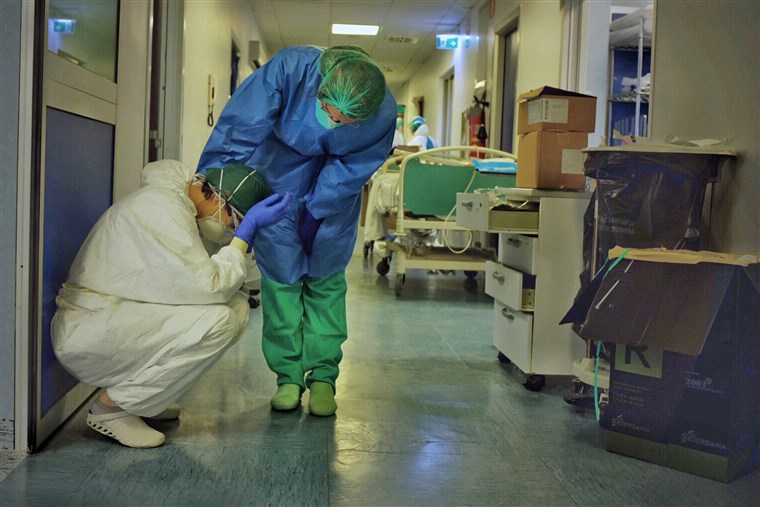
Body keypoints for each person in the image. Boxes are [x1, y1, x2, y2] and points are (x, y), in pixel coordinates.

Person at [197, 45, 397, 417]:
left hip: (336, 189)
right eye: (327, 112)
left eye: (344, 122)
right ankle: (287, 377)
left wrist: (317, 212)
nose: (332, 123)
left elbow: (354, 167)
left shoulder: (382, 110)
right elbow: (240, 125)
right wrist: (212, 184)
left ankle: (323, 377)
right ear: (319, 91)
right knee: (282, 281)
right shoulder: (292, 69)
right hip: (276, 171)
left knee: (326, 281)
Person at [51, 160, 292, 448]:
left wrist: (246, 245)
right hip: (87, 328)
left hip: (113, 314)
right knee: (220, 320)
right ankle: (111, 409)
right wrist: (240, 241)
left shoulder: (181, 208)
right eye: (235, 221)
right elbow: (209, 286)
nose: (232, 229)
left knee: (236, 307)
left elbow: (219, 284)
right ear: (216, 198)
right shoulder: (162, 210)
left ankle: (142, 399)